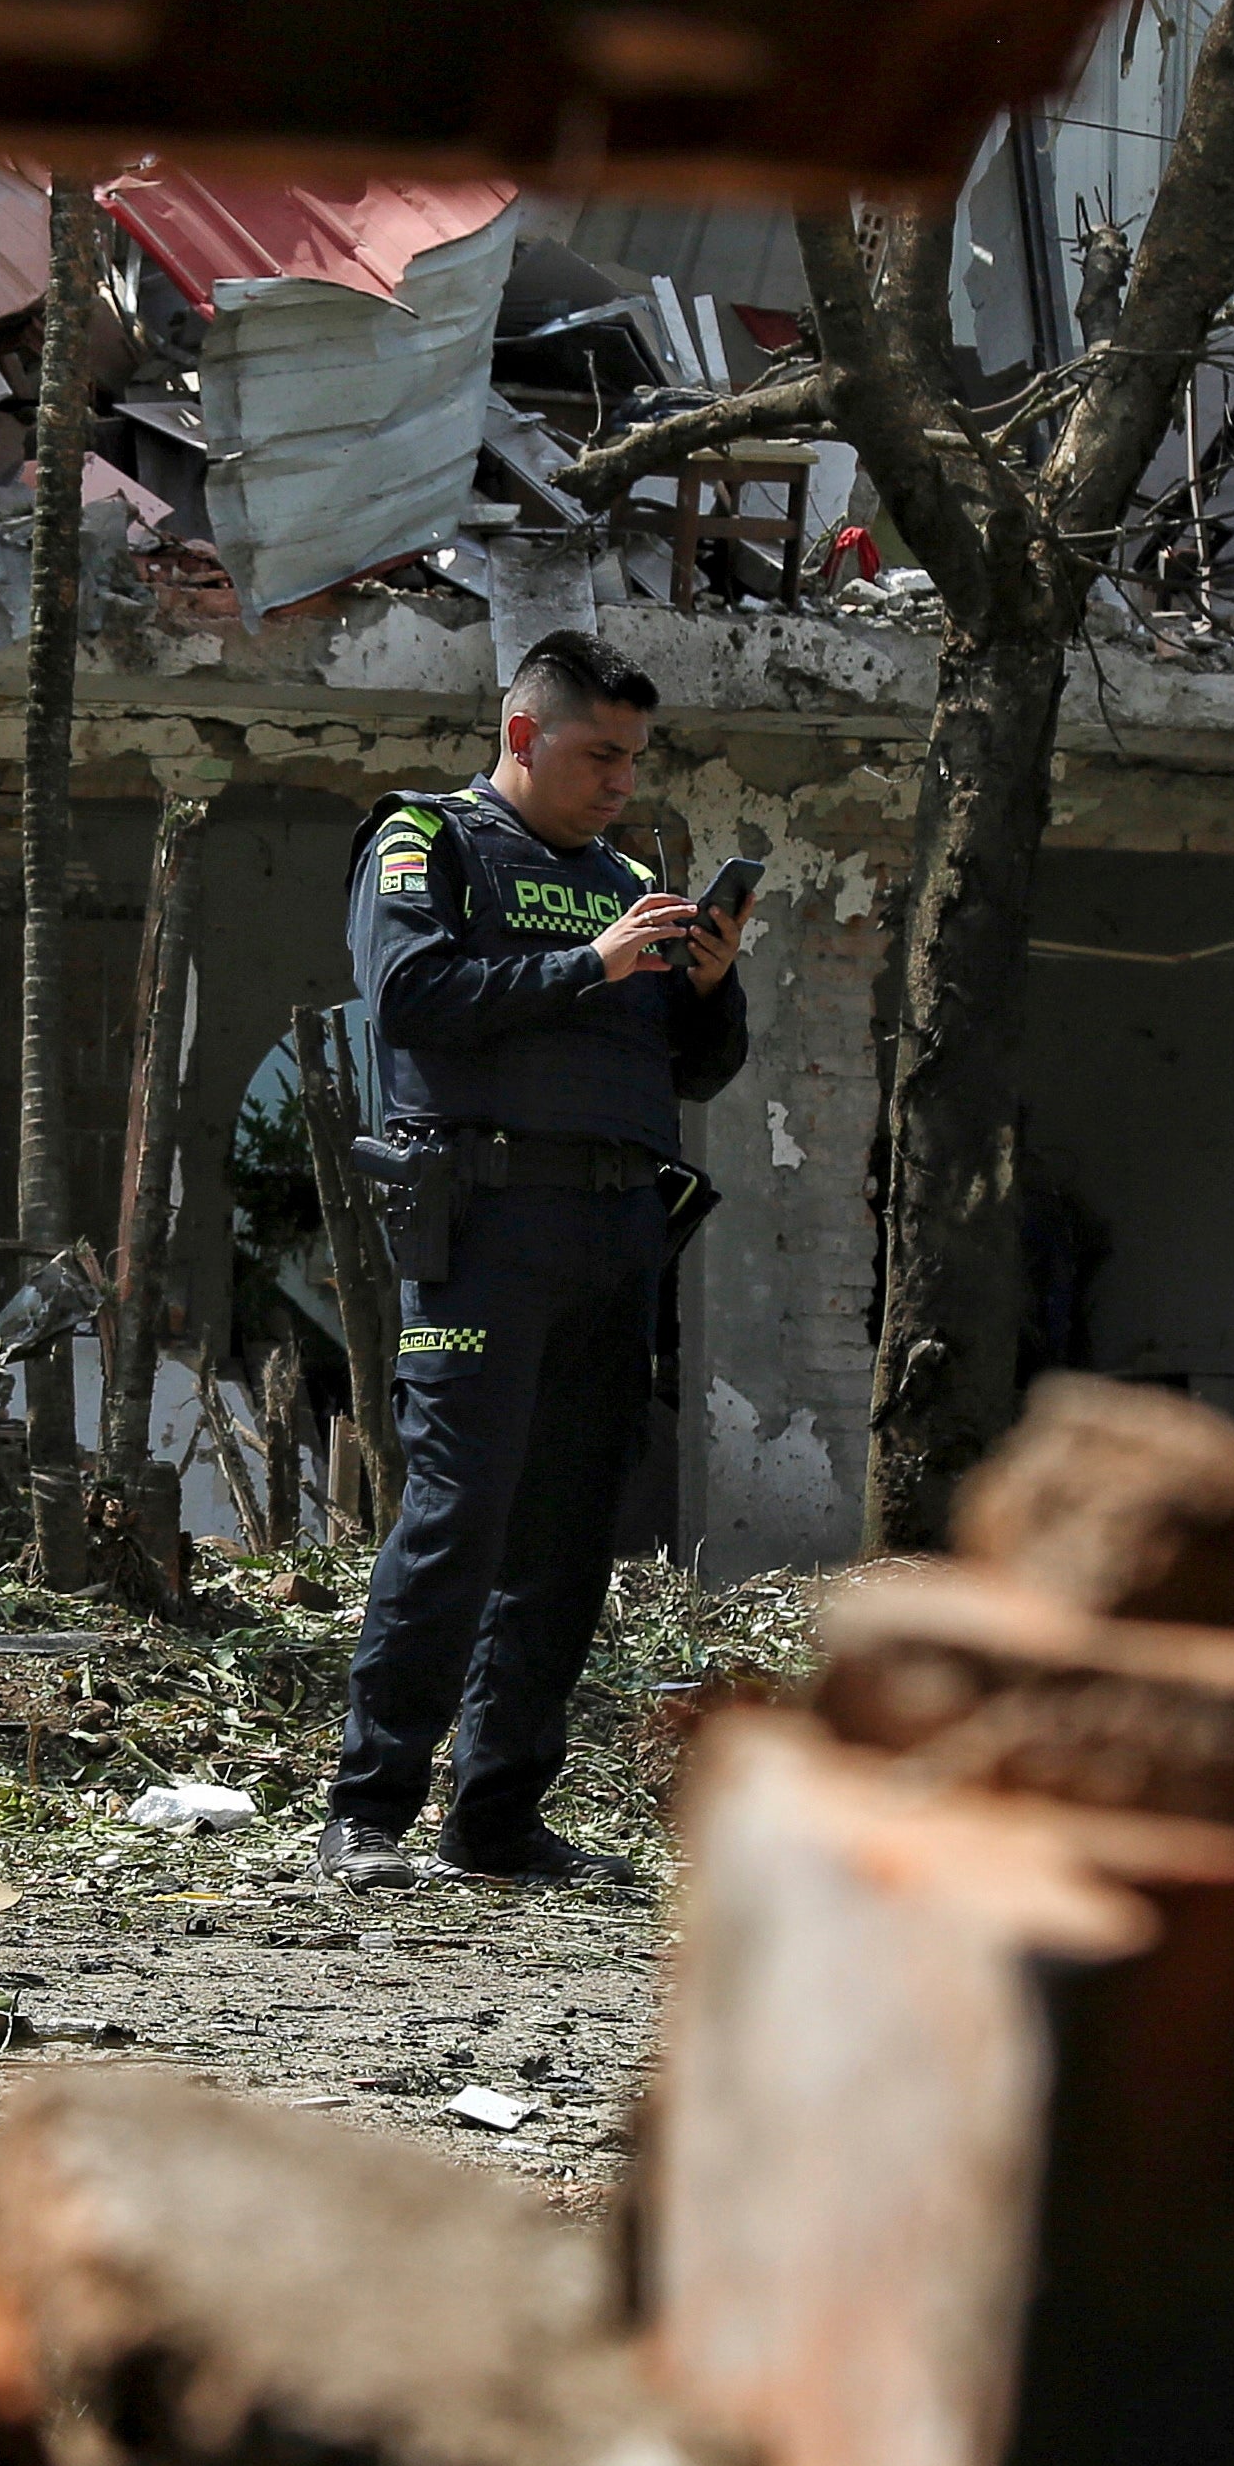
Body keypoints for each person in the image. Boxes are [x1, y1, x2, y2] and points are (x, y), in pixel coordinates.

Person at [323, 628, 750, 1889]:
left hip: (618, 1234)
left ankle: (499, 1821)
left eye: (634, 759)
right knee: (459, 1516)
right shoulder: (425, 841)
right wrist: (591, 963)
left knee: (569, 1533)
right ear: (524, 734)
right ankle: (370, 1813)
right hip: (484, 1229)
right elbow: (409, 996)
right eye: (597, 754)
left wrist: (708, 988)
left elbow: (696, 1070)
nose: (621, 782)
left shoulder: (631, 878)